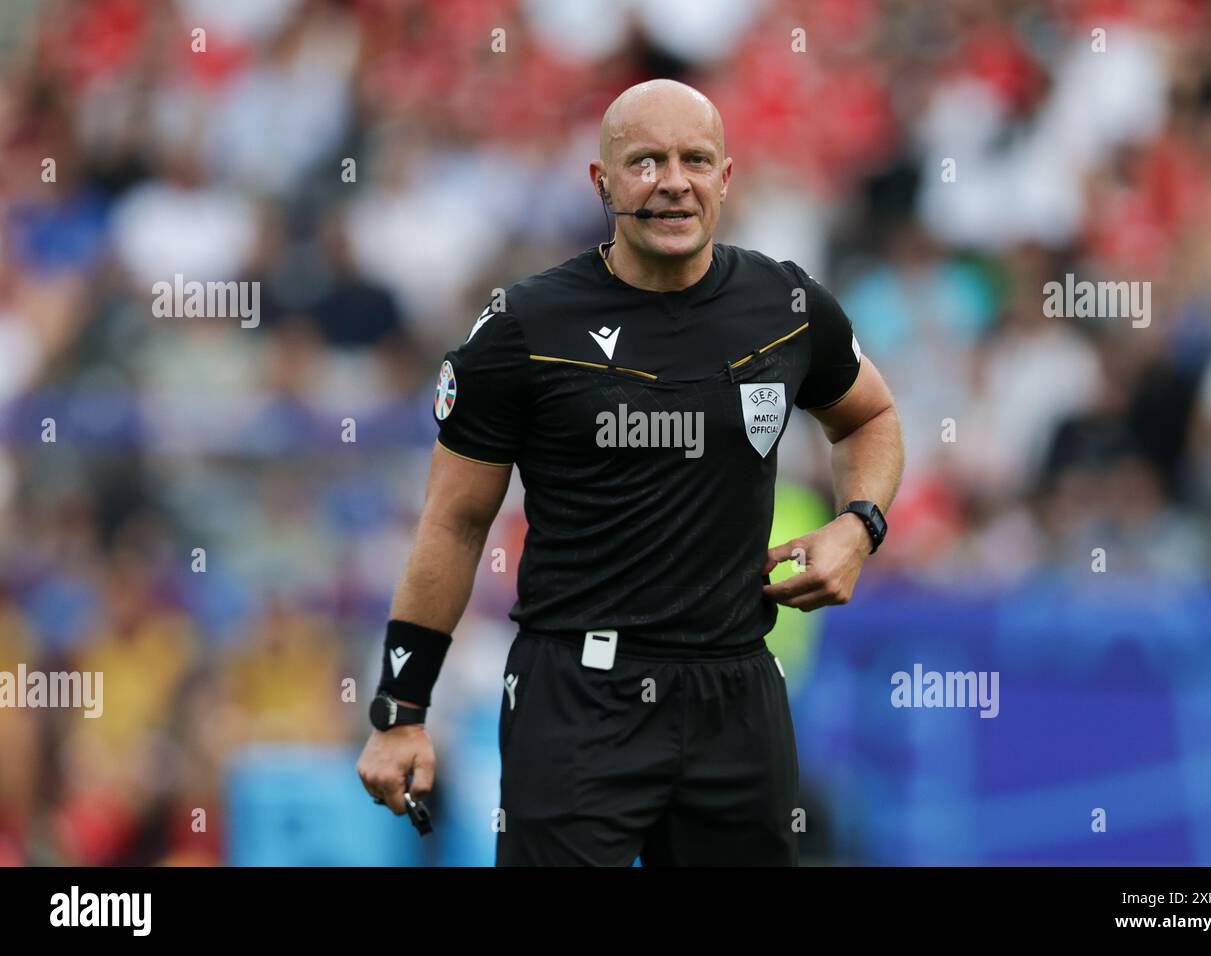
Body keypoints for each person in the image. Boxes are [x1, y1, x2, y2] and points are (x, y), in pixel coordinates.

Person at [357, 79, 904, 866]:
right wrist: (401, 710)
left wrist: (861, 523)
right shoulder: (522, 330)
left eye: (694, 159)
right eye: (646, 161)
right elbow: (455, 520)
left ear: (726, 178)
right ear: (601, 181)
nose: (672, 180)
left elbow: (871, 418)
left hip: (737, 691)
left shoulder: (784, 304)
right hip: (576, 697)